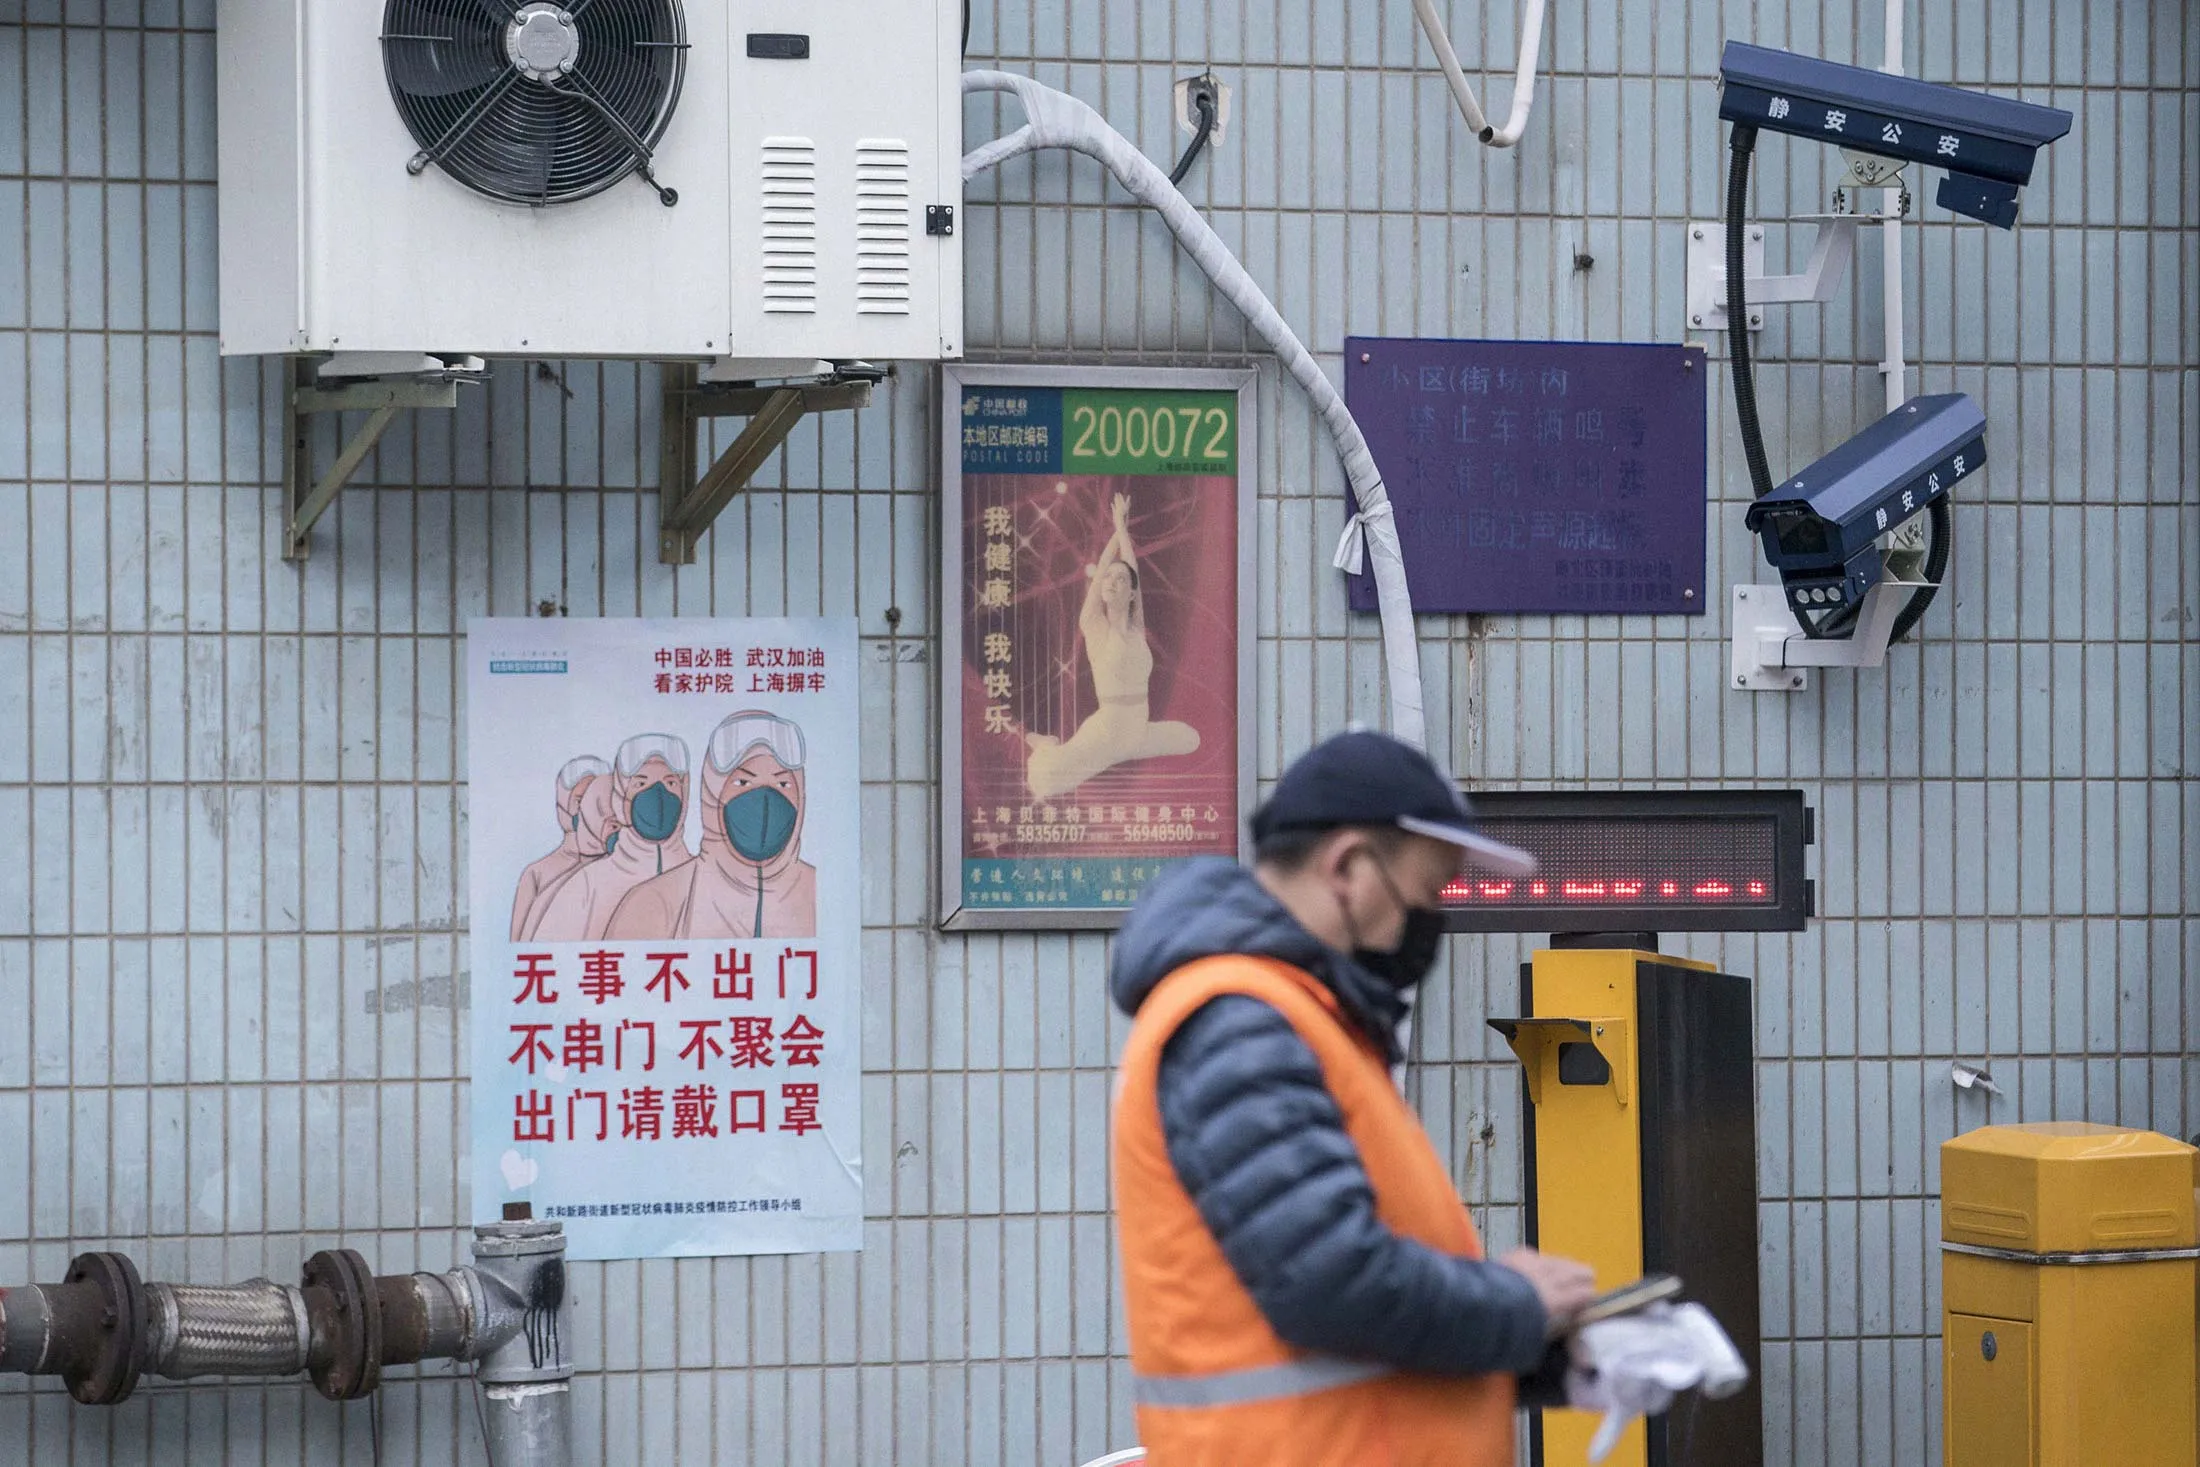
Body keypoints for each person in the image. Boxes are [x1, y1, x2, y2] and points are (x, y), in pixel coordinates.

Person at [1110, 730, 1598, 1466]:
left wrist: (1555, 1354)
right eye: (1426, 892)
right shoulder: (1241, 1022)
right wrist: (1518, 1304)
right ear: (1348, 868)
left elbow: (1350, 1342)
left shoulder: (1299, 1014)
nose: (1429, 922)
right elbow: (1329, 1281)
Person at [1024, 490, 1201, 800]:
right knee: (1046, 780)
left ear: (1131, 592)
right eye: (1108, 579)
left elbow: (1133, 570)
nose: (1112, 582)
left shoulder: (1135, 628)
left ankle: (1120, 749)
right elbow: (1106, 572)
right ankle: (1044, 744)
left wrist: (1122, 530)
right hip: (1106, 733)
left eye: (1120, 580)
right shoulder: (1094, 625)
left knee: (1192, 739)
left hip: (1138, 731)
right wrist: (1118, 528)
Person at [606, 710, 818, 940]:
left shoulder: (823, 894)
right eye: (743, 782)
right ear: (713, 794)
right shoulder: (654, 903)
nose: (764, 797)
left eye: (783, 784)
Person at [528, 733, 694, 942]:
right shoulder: (587, 885)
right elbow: (544, 955)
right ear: (621, 795)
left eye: (670, 783)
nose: (658, 794)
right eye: (640, 784)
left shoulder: (701, 879)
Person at [509, 755, 612, 940]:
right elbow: (516, 947)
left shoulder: (621, 867)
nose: (587, 810)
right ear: (562, 805)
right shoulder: (536, 874)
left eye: (595, 800)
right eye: (580, 800)